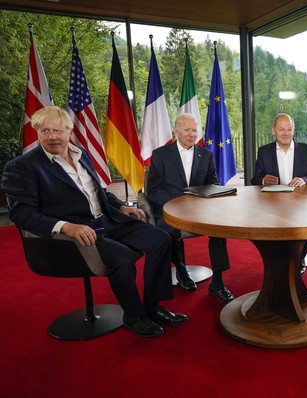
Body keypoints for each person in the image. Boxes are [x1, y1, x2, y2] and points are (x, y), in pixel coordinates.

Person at [1, 106, 187, 338]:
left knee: (162, 238)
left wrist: (120, 205)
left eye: (57, 130)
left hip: (108, 220)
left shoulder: (81, 154)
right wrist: (64, 226)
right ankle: (134, 315)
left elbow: (97, 193)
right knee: (123, 258)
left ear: (69, 131)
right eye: (45, 130)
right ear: (37, 131)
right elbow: (21, 214)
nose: (52, 136)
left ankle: (153, 306)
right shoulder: (22, 166)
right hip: (77, 232)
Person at [147, 113, 234, 303]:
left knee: (219, 229)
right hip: (170, 210)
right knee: (167, 231)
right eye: (186, 129)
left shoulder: (207, 155)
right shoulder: (160, 155)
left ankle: (218, 283)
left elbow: (213, 183)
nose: (191, 134)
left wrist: (209, 198)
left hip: (201, 210)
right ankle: (181, 270)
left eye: (194, 130)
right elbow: (152, 190)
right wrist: (176, 205)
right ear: (176, 131)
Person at [251, 113, 307, 275]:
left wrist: (304, 179)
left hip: (301, 203)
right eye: (281, 129)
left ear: (293, 130)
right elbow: (254, 179)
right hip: (272, 205)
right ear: (273, 130)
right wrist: (263, 179)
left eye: (289, 129)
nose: (286, 133)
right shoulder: (264, 152)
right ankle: (277, 259)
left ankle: (300, 256)